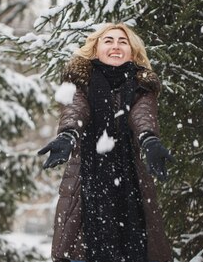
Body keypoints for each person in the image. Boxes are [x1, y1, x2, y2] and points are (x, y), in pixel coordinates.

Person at [38, 23, 174, 262]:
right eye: (108, 40)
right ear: (96, 48)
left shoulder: (142, 86)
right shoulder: (80, 81)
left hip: (129, 180)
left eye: (123, 42)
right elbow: (76, 109)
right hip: (86, 181)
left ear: (132, 51)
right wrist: (68, 134)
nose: (116, 46)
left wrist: (149, 140)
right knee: (79, 251)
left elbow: (141, 115)